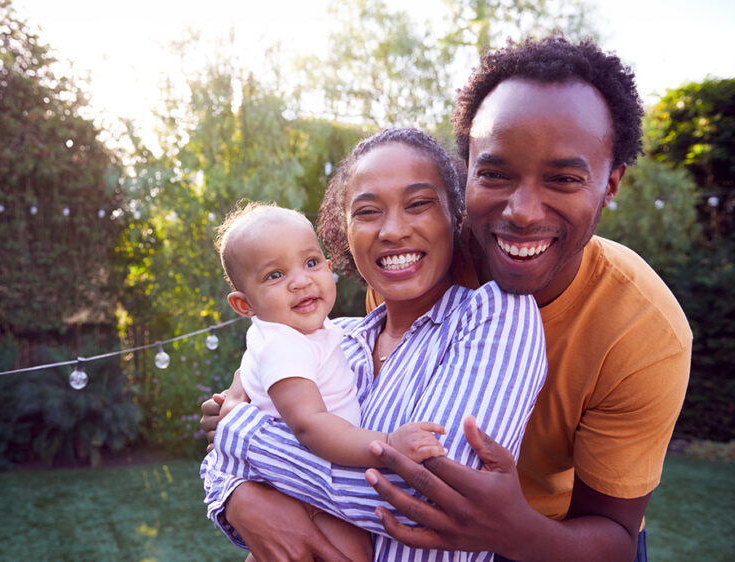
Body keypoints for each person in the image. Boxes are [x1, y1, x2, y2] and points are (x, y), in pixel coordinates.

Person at [204, 36, 692, 562]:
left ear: (611, 183)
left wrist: (240, 437)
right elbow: (321, 405)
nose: (524, 211)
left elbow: (614, 539)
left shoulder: (645, 332)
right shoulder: (412, 264)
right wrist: (238, 495)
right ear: (468, 175)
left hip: (554, 537)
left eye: (564, 178)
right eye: (496, 173)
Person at [200, 128, 548, 561]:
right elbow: (217, 465)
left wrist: (241, 433)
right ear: (343, 232)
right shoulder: (332, 339)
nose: (393, 230)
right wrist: (239, 500)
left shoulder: (494, 315)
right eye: (367, 212)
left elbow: (436, 503)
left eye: (419, 204)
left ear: (455, 215)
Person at [212, 202, 449, 561]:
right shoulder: (283, 345)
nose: (300, 280)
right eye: (275, 275)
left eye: (310, 262)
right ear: (244, 305)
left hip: (297, 488)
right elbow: (310, 425)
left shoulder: (320, 335)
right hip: (301, 492)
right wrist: (388, 444)